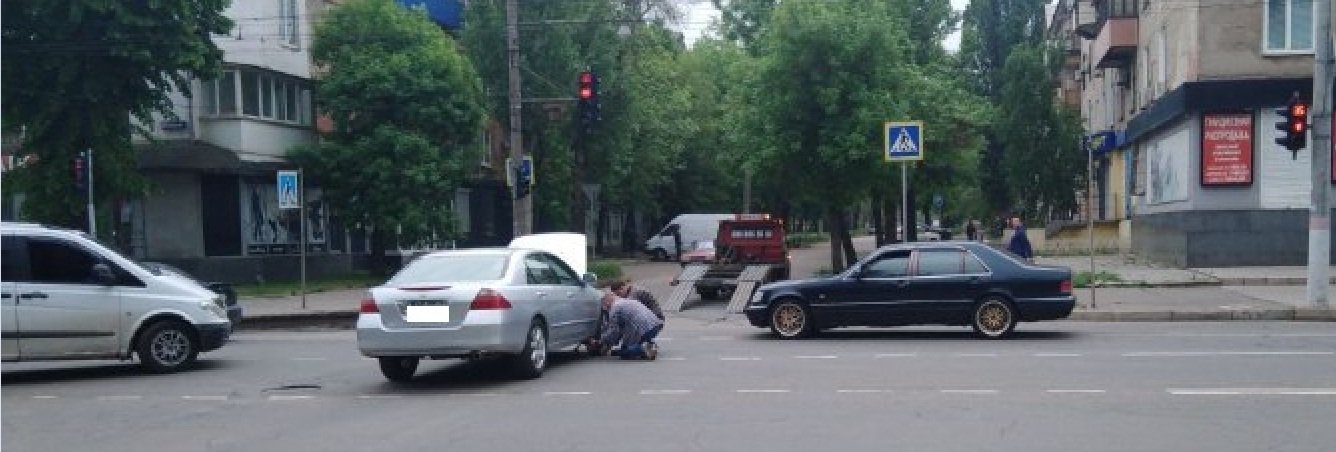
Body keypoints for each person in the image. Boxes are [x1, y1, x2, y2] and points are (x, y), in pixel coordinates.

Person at [593, 292, 662, 360]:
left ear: (607, 302)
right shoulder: (627, 300)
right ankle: (649, 345)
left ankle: (644, 349)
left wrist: (601, 341)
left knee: (624, 352)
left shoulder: (615, 308)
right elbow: (619, 330)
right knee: (622, 348)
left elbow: (614, 331)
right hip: (655, 326)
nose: (605, 308)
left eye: (604, 305)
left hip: (643, 330)